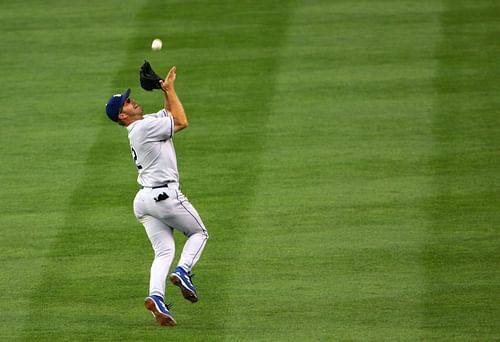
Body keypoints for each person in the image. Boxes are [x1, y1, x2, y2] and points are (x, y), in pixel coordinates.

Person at [104, 66, 209, 327]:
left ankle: (156, 298)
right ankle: (183, 271)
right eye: (126, 102)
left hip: (144, 201)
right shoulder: (142, 129)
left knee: (164, 251)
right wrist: (170, 90)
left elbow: (171, 113)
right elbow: (182, 121)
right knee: (199, 234)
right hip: (165, 196)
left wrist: (166, 90)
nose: (132, 100)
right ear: (122, 116)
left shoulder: (144, 124)